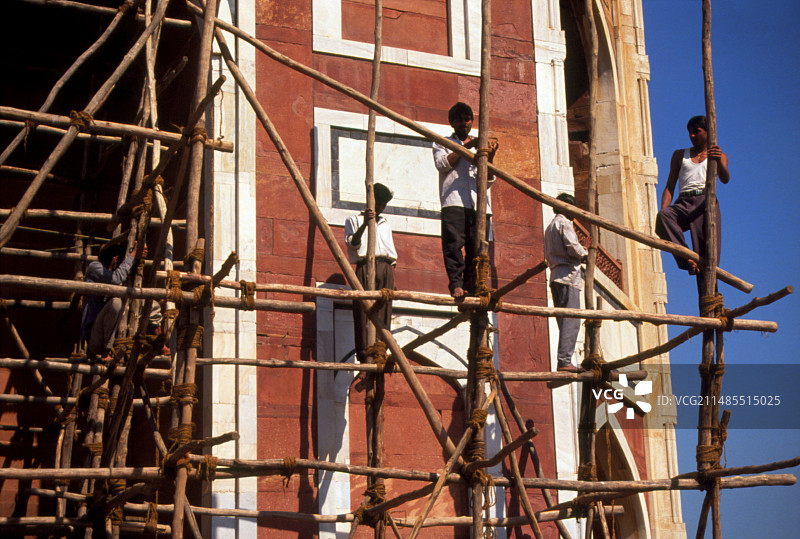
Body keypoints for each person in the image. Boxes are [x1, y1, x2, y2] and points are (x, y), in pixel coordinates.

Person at [432, 102, 499, 298]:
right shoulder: (441, 142)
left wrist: (489, 157)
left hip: (479, 205)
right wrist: (469, 146)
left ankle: (472, 285)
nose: (465, 123)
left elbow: (487, 180)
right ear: (452, 122)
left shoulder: (481, 145)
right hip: (454, 202)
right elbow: (443, 164)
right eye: (460, 119)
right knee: (453, 245)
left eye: (467, 119)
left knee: (477, 248)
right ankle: (456, 285)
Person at [655, 115, 729, 288]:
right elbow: (669, 186)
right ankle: (687, 257)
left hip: (706, 203)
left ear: (708, 132)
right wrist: (665, 212)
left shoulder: (717, 154)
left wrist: (718, 160)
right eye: (689, 132)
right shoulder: (680, 155)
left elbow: (725, 178)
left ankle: (709, 303)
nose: (692, 136)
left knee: (708, 258)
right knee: (664, 216)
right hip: (684, 201)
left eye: (697, 131)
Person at [344, 183, 397, 363]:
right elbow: (353, 243)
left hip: (385, 267)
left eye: (384, 205)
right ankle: (365, 352)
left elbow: (391, 253)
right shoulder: (353, 219)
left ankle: (380, 349)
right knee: (364, 310)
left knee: (384, 309)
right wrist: (366, 224)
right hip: (366, 265)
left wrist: (391, 274)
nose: (381, 208)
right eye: (379, 203)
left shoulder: (385, 224)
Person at [544, 193, 588, 373]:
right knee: (571, 320)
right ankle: (564, 361)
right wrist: (585, 250)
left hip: (556, 276)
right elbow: (574, 249)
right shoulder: (564, 224)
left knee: (564, 321)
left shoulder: (550, 226)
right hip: (568, 277)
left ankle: (564, 359)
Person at [80, 241, 139, 361]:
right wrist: (132, 255)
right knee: (116, 303)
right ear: (115, 259)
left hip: (108, 335)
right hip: (94, 338)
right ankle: (107, 350)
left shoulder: (107, 272)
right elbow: (116, 278)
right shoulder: (95, 267)